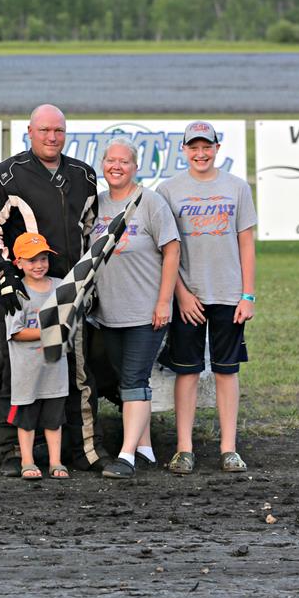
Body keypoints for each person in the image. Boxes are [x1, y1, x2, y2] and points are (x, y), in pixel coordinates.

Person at [0, 103, 109, 476]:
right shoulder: (5, 176)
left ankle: (81, 451)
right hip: (23, 292)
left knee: (77, 373)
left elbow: (89, 232)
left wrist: (86, 281)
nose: (52, 137)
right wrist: (4, 273)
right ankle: (14, 454)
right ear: (29, 133)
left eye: (59, 131)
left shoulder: (85, 176)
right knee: (16, 373)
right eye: (44, 130)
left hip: (70, 293)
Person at [156, 121, 257, 474]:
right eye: (193, 147)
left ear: (217, 147)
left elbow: (246, 242)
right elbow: (166, 249)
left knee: (227, 370)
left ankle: (229, 448)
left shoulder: (237, 188)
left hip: (228, 293)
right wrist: (180, 294)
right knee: (188, 371)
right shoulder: (168, 191)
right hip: (189, 296)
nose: (201, 153)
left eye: (207, 146)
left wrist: (248, 295)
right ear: (184, 150)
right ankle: (184, 448)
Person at [89, 137, 181, 479]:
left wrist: (163, 301)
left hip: (145, 311)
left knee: (134, 380)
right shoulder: (96, 205)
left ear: (135, 166)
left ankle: (125, 457)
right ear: (103, 165)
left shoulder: (150, 203)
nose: (117, 166)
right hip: (108, 313)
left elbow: (172, 250)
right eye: (111, 160)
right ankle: (144, 448)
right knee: (124, 379)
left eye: (124, 161)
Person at [6, 233, 69, 480]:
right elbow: (17, 332)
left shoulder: (61, 286)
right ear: (18, 262)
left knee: (54, 420)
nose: (39, 264)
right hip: (26, 371)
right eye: (31, 260)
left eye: (43, 258)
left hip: (55, 368)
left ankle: (56, 462)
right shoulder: (17, 292)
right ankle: (27, 461)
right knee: (27, 420)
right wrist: (48, 332)